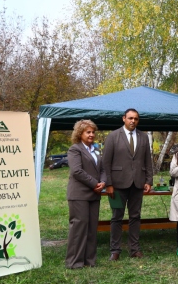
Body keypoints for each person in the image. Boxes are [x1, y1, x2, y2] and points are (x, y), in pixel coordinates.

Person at [102, 108, 154, 260]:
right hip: (117, 185)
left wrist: (148, 180)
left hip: (137, 184)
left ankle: (134, 249)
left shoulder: (144, 137)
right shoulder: (113, 136)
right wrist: (109, 184)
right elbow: (106, 162)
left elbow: (148, 161)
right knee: (117, 216)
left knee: (135, 217)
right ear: (123, 118)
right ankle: (115, 250)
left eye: (136, 119)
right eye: (130, 118)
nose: (133, 121)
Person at [65, 120, 106, 269]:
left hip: (94, 194)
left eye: (93, 132)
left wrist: (103, 182)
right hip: (79, 194)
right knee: (79, 228)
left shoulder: (95, 150)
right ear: (80, 133)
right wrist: (95, 183)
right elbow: (77, 171)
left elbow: (103, 169)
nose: (91, 135)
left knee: (91, 228)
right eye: (88, 132)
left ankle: (90, 261)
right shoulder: (74, 149)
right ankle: (74, 262)